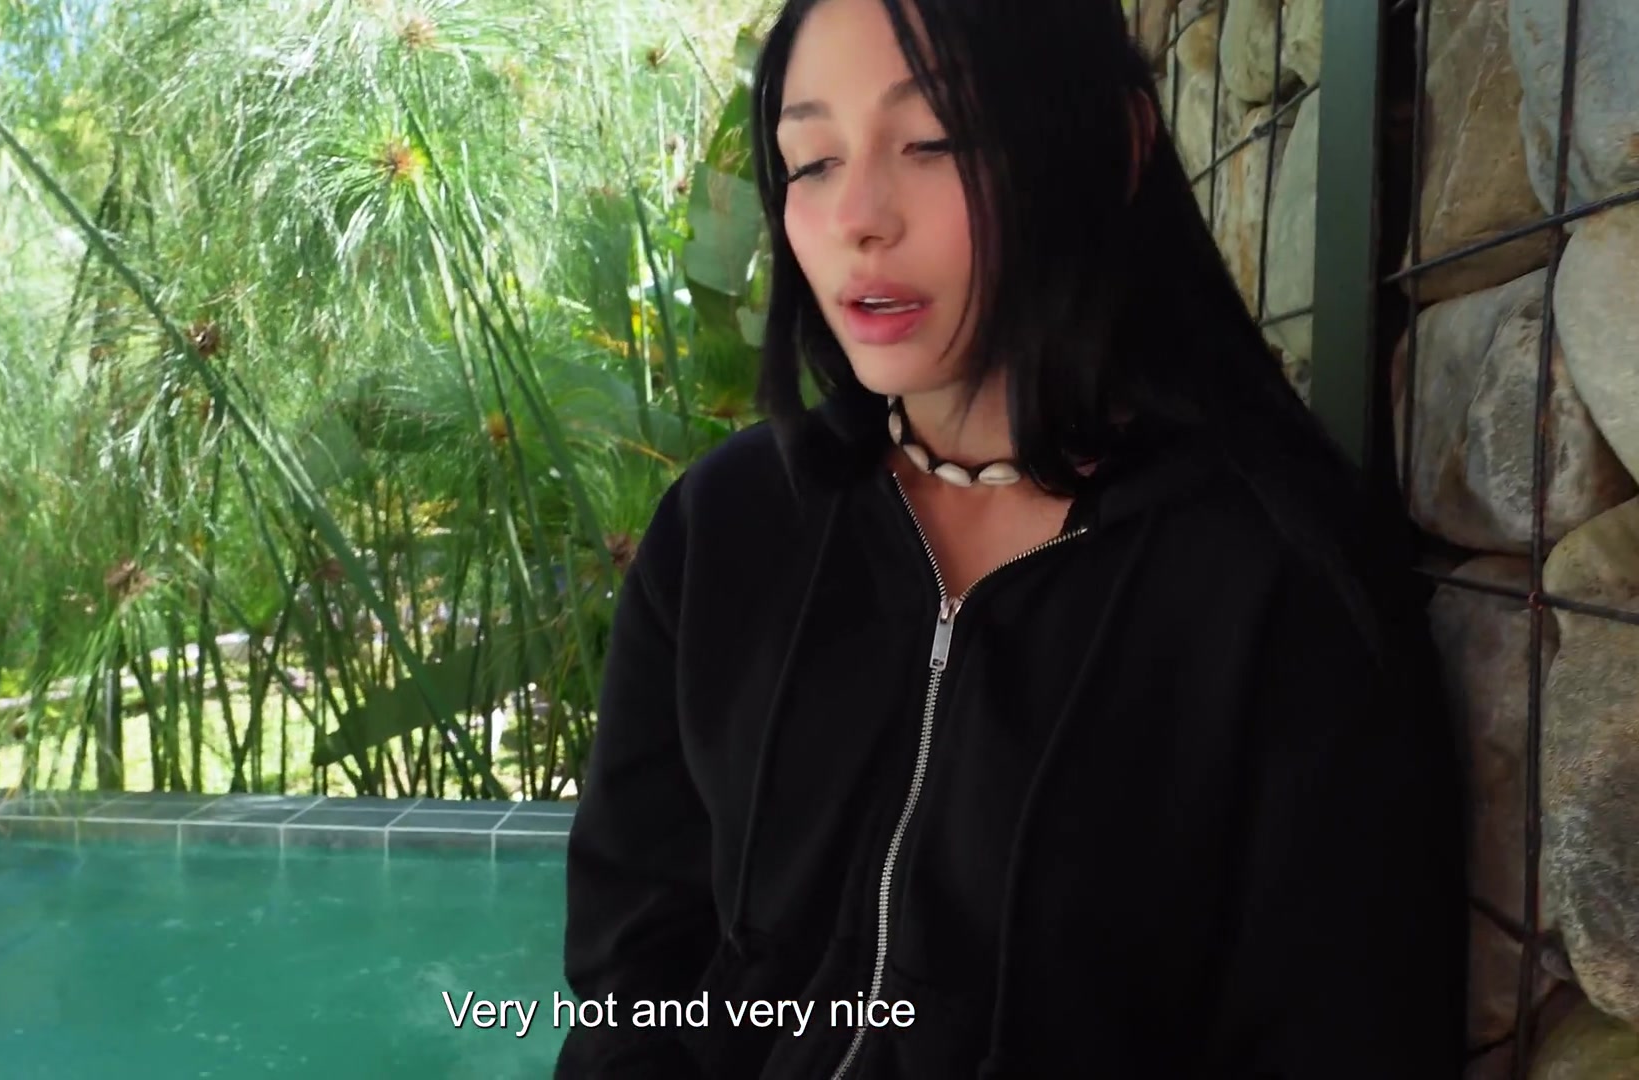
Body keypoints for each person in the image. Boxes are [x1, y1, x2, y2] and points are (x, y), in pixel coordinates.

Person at [555, 0, 1469, 1076]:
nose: (857, 217)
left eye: (934, 141)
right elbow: (635, 963)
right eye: (811, 161)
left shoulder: (1277, 580)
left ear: (1115, 145)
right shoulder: (726, 527)